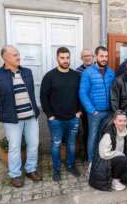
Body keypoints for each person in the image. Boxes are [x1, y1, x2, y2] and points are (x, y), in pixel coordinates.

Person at [0, 45, 41, 187]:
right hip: (12, 119)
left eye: (18, 54)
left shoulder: (27, 72)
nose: (18, 57)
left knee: (33, 144)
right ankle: (15, 175)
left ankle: (30, 169)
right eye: (15, 55)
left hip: (31, 116)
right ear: (5, 57)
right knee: (14, 147)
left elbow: (31, 93)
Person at [40, 47, 82, 181]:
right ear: (57, 58)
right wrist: (49, 115)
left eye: (67, 58)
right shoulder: (49, 76)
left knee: (71, 144)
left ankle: (70, 165)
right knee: (56, 144)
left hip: (73, 118)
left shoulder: (76, 75)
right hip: (56, 119)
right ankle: (56, 169)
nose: (65, 60)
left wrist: (79, 111)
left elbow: (81, 94)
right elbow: (43, 97)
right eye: (62, 58)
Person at [79, 46, 116, 163]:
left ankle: (103, 160)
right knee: (93, 137)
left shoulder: (111, 72)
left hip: (109, 112)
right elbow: (83, 93)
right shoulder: (87, 73)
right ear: (96, 57)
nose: (104, 59)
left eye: (106, 56)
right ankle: (91, 162)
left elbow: (114, 92)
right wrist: (92, 110)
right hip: (95, 113)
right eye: (101, 56)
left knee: (107, 137)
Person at [89, 110, 127, 191]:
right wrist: (119, 154)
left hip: (116, 160)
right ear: (115, 121)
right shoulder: (108, 134)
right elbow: (103, 154)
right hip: (105, 162)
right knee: (123, 159)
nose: (123, 123)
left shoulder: (124, 130)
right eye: (120, 121)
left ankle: (116, 174)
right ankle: (115, 181)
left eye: (124, 121)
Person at [76, 48, 94, 161]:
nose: (87, 58)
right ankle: (87, 153)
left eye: (89, 55)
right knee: (86, 131)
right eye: (84, 56)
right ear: (81, 58)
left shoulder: (99, 69)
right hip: (84, 107)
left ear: (93, 56)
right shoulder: (77, 72)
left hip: (98, 106)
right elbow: (76, 90)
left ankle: (97, 152)